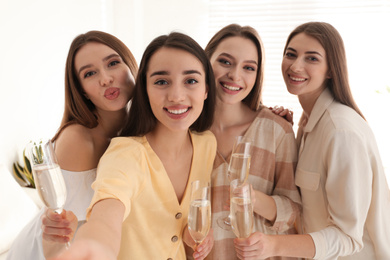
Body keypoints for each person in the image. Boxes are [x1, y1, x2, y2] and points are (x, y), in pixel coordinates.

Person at [52, 32, 217, 260]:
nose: (177, 96)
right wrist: (95, 246)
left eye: (191, 80)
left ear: (206, 89)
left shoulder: (208, 144)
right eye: (161, 81)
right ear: (145, 89)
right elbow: (106, 216)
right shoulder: (125, 153)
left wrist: (191, 234)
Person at [234, 21, 390, 260]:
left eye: (312, 58)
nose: (296, 66)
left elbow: (348, 237)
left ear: (331, 69)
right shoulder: (307, 123)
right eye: (291, 54)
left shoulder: (340, 131)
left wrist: (273, 246)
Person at [6, 30, 138, 260]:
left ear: (131, 66)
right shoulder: (78, 139)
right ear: (83, 91)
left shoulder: (141, 130)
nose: (105, 78)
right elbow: (62, 227)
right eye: (89, 74)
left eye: (113, 63)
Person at [203, 24, 302, 260]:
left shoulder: (277, 130)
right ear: (206, 61)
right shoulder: (184, 131)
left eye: (249, 67)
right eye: (225, 62)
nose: (235, 75)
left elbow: (296, 212)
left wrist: (254, 199)